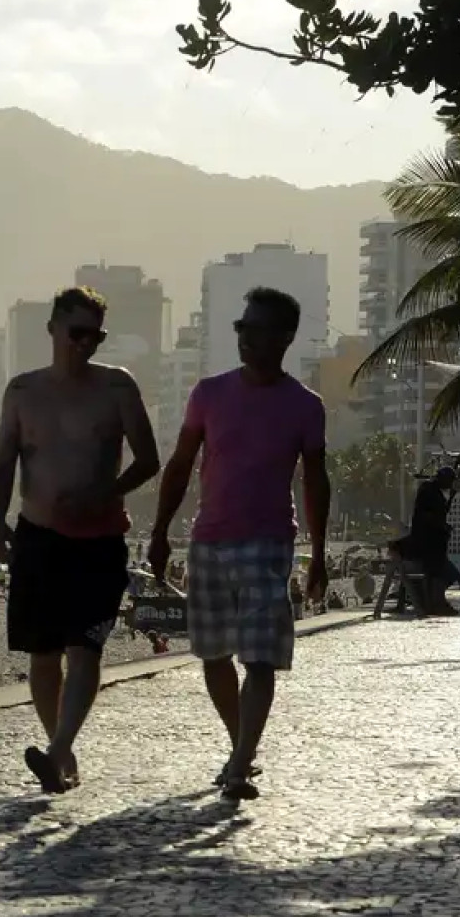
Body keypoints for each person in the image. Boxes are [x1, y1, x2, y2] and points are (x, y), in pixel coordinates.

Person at [150, 286, 329, 802]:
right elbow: (181, 464)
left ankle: (241, 763)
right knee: (213, 655)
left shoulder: (305, 407)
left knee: (261, 659)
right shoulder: (208, 394)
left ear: (285, 337)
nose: (245, 338)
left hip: (269, 544)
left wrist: (317, 555)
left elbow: (316, 481)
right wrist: (161, 533)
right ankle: (240, 750)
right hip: (207, 542)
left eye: (255, 329)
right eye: (240, 328)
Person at [0, 286, 160, 795]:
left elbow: (149, 459)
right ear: (52, 330)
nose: (86, 343)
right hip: (38, 536)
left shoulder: (116, 388)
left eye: (96, 335)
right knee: (43, 655)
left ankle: (58, 751)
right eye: (77, 332)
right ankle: (59, 750)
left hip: (99, 538)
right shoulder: (22, 392)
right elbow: (3, 462)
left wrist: (104, 493)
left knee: (85, 648)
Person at [394, 464, 460, 613]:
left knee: (442, 568)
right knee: (440, 570)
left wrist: (450, 500)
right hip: (425, 542)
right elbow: (427, 515)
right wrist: (441, 525)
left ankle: (440, 597)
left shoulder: (436, 492)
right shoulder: (428, 490)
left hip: (431, 541)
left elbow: (440, 514)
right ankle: (437, 600)